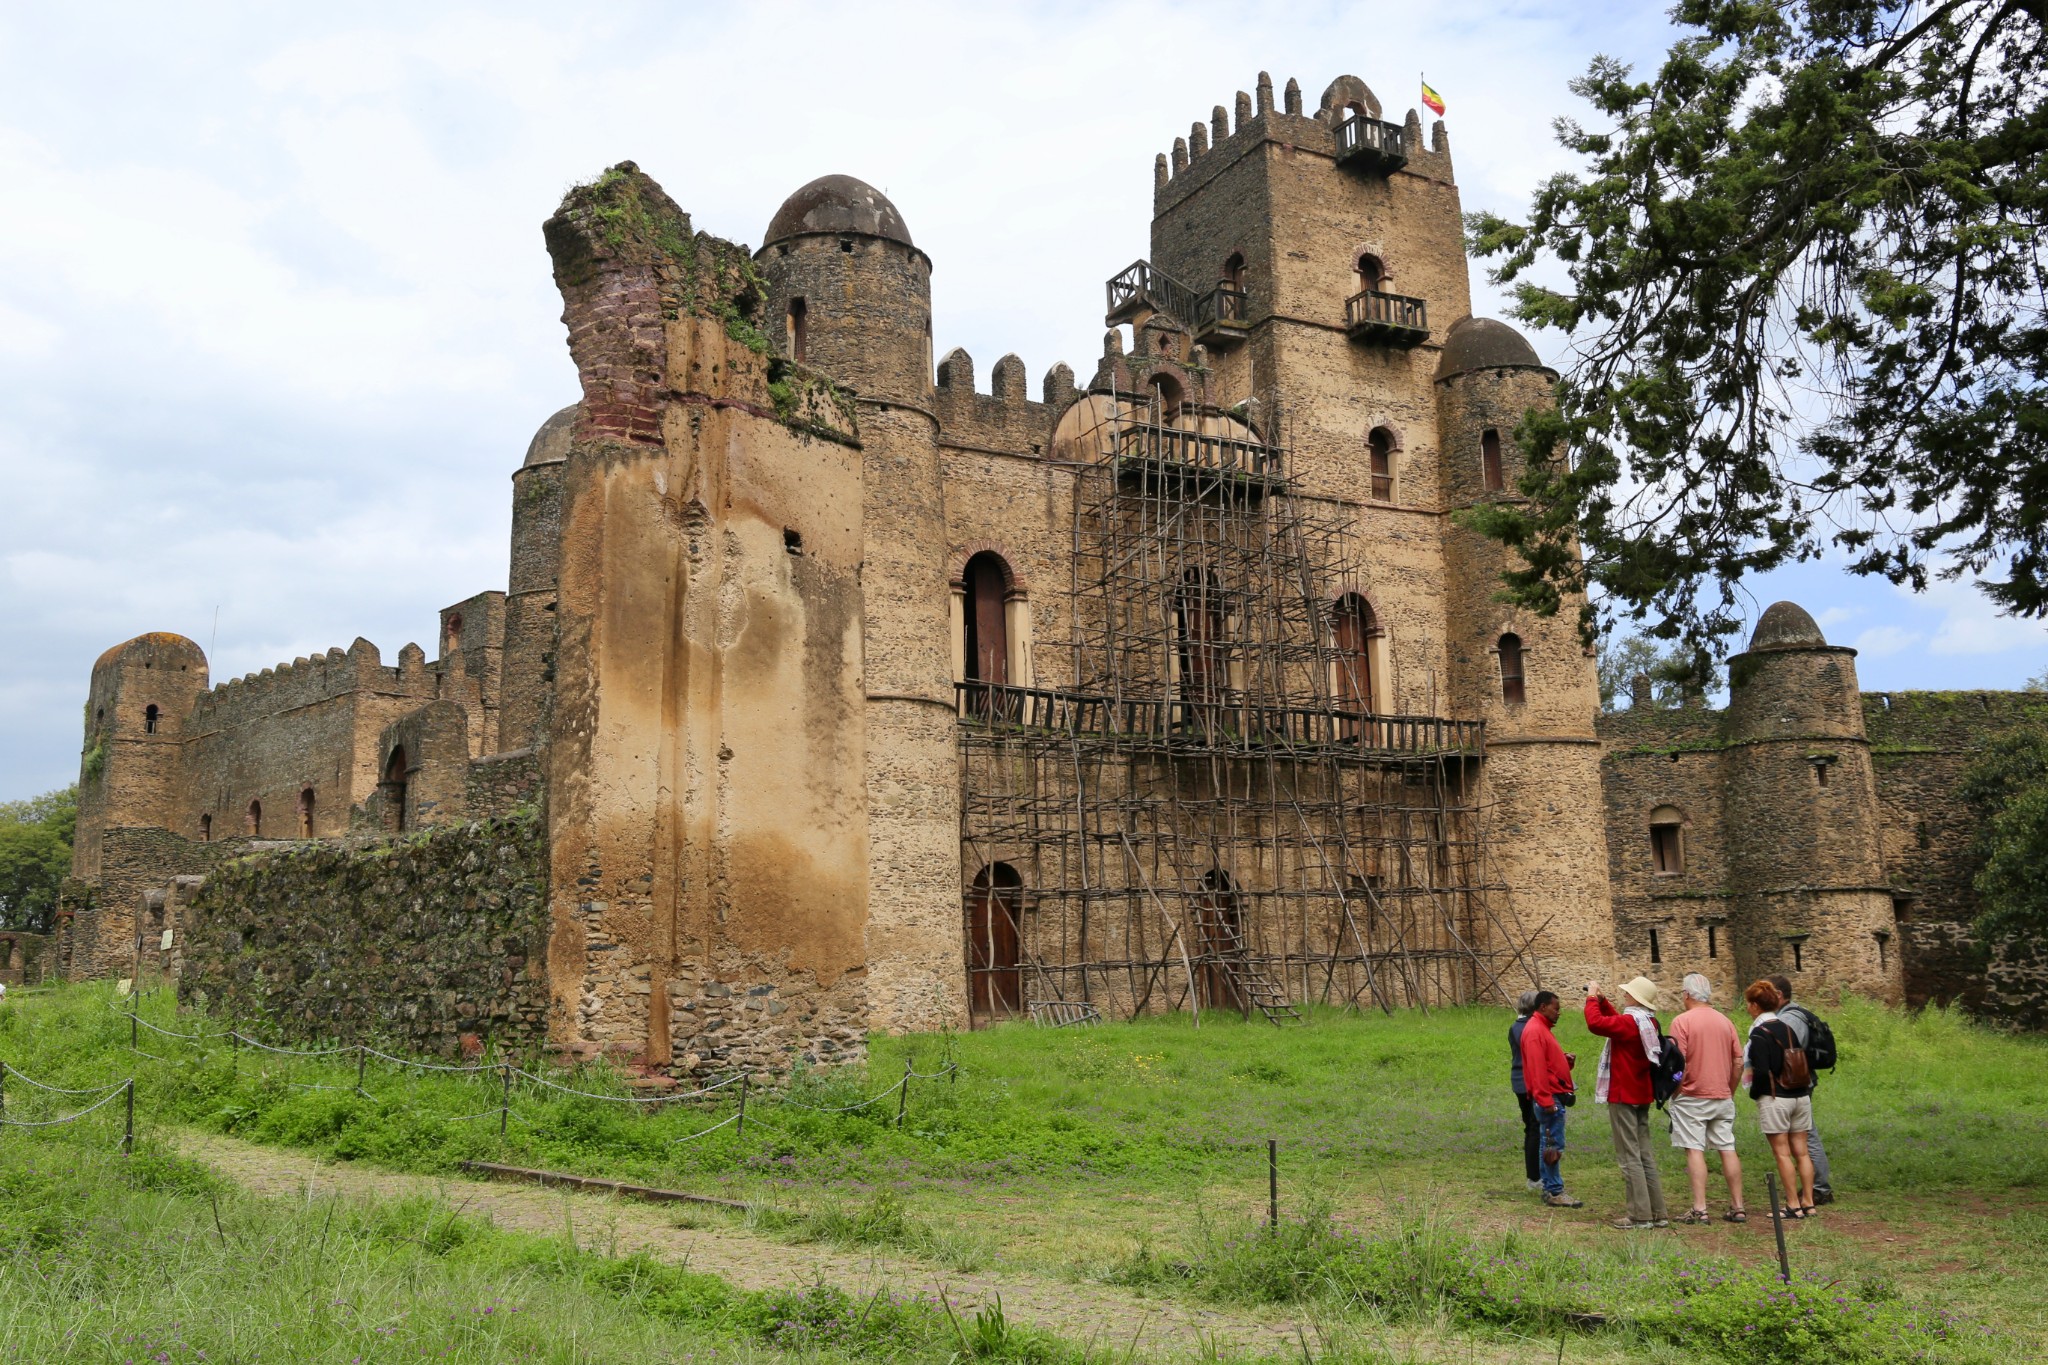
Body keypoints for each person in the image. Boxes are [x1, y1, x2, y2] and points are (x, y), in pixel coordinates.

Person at [1584, 975, 1670, 1230]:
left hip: (1623, 1094)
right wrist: (1603, 1001)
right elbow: (1615, 1023)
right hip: (1641, 1092)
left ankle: (1639, 1215)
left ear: (1636, 999)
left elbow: (1596, 1024)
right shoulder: (1648, 1022)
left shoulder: (1632, 1022)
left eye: (1628, 993)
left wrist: (1591, 998)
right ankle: (1658, 1212)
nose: (1625, 996)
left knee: (1629, 1156)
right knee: (1644, 1155)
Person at [1667, 973, 1746, 1223]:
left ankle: (1700, 1209)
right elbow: (1738, 1061)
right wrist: (1729, 1089)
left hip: (1692, 1095)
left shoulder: (1681, 1022)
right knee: (1727, 1147)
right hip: (1722, 1094)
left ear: (1687, 994)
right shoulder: (1726, 1022)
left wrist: (1676, 1090)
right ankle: (1738, 1206)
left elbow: (1677, 1062)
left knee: (1694, 1149)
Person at [1743, 979, 1818, 1220]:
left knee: (1782, 1153)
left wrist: (1755, 1093)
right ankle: (1809, 1201)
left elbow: (1762, 1071)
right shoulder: (1788, 1028)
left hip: (1777, 1098)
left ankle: (1792, 1204)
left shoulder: (1758, 1033)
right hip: (1800, 1095)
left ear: (1755, 1006)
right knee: (1802, 1152)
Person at [1768, 973, 1834, 1204]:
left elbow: (1784, 1052)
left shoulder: (1790, 1019)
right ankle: (1816, 1186)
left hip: (1795, 1083)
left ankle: (1819, 1188)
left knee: (1805, 1135)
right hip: (1797, 1082)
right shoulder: (1790, 1015)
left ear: (1778, 995)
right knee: (1803, 1134)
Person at [1519, 989, 1583, 1207]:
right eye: (1556, 1008)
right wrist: (1546, 1101)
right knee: (1553, 1145)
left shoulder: (1541, 1028)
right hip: (1550, 1099)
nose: (1559, 1013)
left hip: (1553, 1096)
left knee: (1548, 1144)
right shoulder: (1536, 1031)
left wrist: (1564, 1062)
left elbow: (1546, 1063)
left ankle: (1550, 1187)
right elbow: (1537, 1070)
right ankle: (1554, 1190)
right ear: (1543, 1007)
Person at [1509, 989, 1542, 1190]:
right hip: (1527, 1082)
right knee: (1534, 1128)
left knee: (1532, 1128)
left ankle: (1536, 1175)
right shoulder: (1525, 1027)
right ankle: (1534, 1177)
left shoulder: (1517, 1026)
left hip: (1520, 1080)